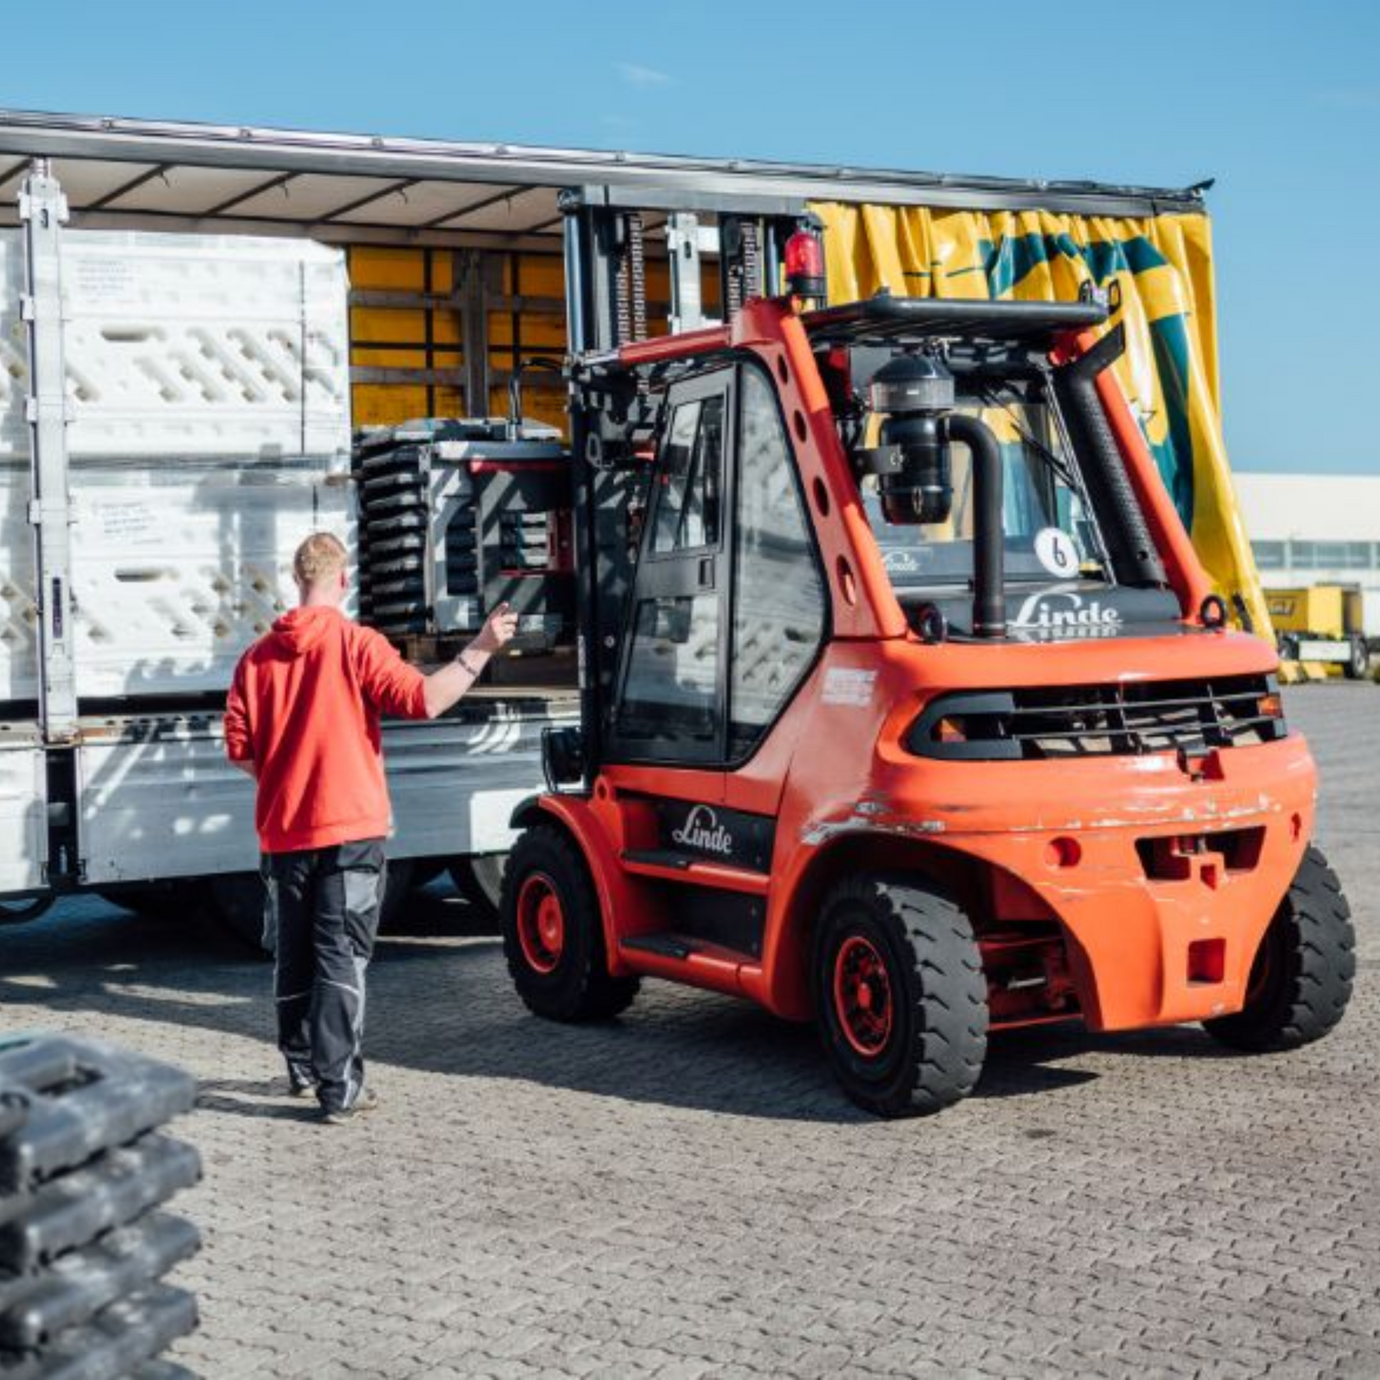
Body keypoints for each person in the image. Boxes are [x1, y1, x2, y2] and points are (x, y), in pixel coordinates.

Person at [224, 532, 517, 1124]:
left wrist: (285, 783)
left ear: (296, 579)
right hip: (350, 830)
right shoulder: (358, 645)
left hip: (284, 832)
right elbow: (426, 699)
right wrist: (481, 648)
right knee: (341, 954)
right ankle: (340, 1087)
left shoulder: (255, 660)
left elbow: (240, 749)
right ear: (343, 579)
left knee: (293, 953)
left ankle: (303, 1067)